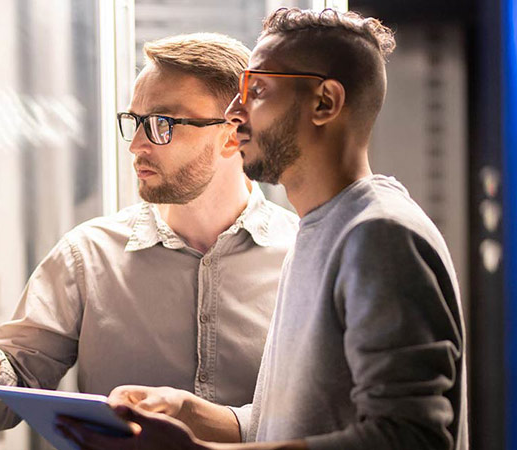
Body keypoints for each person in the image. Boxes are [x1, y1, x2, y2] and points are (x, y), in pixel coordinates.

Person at [56, 8, 468, 450]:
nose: (234, 114)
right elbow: (297, 421)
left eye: (257, 90)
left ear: (325, 102)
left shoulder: (380, 236)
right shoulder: (319, 232)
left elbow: (410, 436)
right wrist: (189, 411)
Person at [0, 33, 298, 441]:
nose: (137, 145)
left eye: (161, 123)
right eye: (135, 121)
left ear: (232, 133)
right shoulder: (87, 254)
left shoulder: (303, 256)